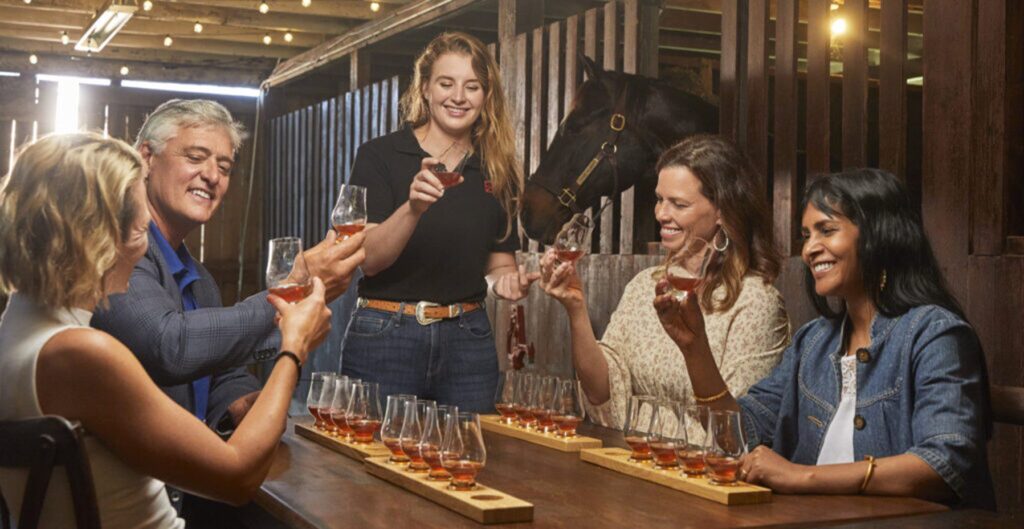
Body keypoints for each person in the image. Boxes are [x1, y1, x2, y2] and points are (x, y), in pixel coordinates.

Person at [0, 132, 332, 529]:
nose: (143, 251)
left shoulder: (16, 333)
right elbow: (236, 478)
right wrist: (293, 349)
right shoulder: (79, 354)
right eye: (139, 233)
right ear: (95, 237)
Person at [90, 99, 364, 522]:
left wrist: (242, 403)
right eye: (196, 157)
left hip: (192, 487)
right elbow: (171, 346)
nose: (212, 176)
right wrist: (294, 288)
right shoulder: (119, 255)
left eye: (225, 166)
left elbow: (219, 373)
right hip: (151, 499)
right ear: (146, 157)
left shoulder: (200, 278)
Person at [654, 168, 994, 508]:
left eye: (827, 231)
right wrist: (694, 349)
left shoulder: (935, 335)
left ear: (880, 235)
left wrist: (800, 476)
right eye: (806, 235)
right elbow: (738, 436)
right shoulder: (813, 342)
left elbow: (945, 462)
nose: (810, 250)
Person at [538, 134, 790, 433]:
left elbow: (735, 430)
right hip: (636, 458)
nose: (661, 214)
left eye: (678, 204)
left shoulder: (755, 302)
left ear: (723, 211)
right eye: (659, 200)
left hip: (701, 471)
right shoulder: (645, 285)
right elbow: (601, 394)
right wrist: (575, 309)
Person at [343, 32, 536, 412]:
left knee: (464, 462)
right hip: (386, 333)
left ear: (486, 96)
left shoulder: (498, 168)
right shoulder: (381, 156)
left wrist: (506, 284)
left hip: (469, 339)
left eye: (472, 86)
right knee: (373, 463)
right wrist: (412, 207)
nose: (459, 97)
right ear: (426, 88)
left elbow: (498, 266)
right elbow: (368, 259)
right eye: (446, 83)